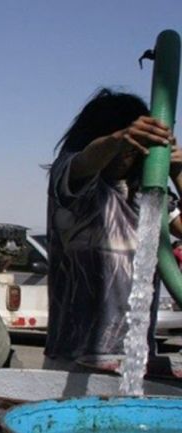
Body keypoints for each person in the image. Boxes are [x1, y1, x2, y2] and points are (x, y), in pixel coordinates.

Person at [45, 88, 182, 370]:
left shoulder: (149, 195)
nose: (130, 154)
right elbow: (85, 161)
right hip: (75, 361)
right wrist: (117, 141)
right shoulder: (74, 186)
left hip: (135, 361)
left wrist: (178, 172)